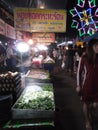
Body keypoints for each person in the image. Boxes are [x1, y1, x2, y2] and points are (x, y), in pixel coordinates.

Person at [76, 39, 98, 130]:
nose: (97, 47)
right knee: (86, 103)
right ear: (91, 47)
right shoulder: (84, 58)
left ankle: (90, 113)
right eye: (96, 46)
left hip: (97, 87)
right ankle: (87, 121)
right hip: (87, 86)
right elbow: (79, 72)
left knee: (95, 105)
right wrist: (78, 85)